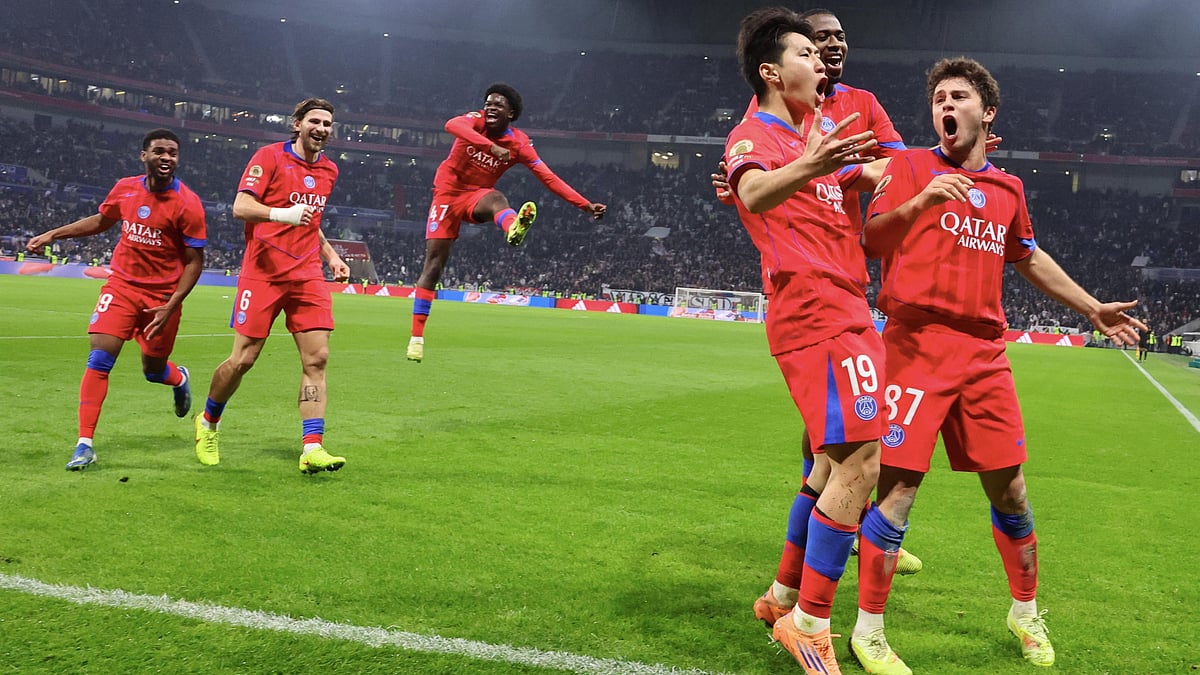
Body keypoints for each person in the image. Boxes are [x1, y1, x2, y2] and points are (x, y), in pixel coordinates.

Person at [853, 57, 1147, 673]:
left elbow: (1029, 257)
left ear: (986, 113)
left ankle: (1024, 612)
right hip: (914, 345)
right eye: (937, 98)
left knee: (1011, 490)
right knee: (899, 488)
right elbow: (872, 240)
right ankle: (869, 629)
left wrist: (1092, 306)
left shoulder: (1008, 190)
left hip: (985, 356)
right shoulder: (909, 166)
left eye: (957, 96)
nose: (944, 106)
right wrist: (921, 200)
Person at [716, 7, 923, 633]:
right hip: (813, 312)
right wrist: (814, 162)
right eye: (807, 53)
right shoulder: (754, 138)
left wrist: (951, 163)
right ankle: (809, 626)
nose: (821, 62)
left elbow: (888, 172)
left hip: (847, 308)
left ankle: (783, 595)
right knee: (862, 463)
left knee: (830, 466)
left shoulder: (817, 135)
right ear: (772, 72)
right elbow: (751, 192)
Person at [26, 128, 206, 470]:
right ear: (144, 155)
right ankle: (85, 444)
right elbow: (101, 221)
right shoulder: (125, 188)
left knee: (153, 371)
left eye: (173, 153)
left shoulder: (189, 205)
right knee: (99, 359)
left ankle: (178, 378)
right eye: (159, 151)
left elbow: (195, 261)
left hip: (161, 299)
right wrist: (53, 233)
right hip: (121, 287)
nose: (166, 157)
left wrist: (172, 304)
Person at [193, 98, 351, 474]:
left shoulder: (329, 170)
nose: (322, 129)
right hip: (263, 271)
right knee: (243, 359)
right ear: (297, 124)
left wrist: (330, 254)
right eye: (315, 121)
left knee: (318, 359)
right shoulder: (269, 157)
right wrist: (282, 213)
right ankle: (208, 421)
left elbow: (310, 221)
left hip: (307, 275)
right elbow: (241, 206)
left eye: (328, 124)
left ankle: (312, 447)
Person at [405, 82, 607, 362]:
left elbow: (549, 178)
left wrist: (585, 204)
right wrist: (490, 147)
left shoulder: (520, 144)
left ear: (511, 114)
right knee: (434, 265)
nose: (490, 107)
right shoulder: (474, 121)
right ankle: (416, 338)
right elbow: (451, 125)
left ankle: (513, 226)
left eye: (498, 105)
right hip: (446, 196)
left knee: (497, 197)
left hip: (476, 196)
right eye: (488, 103)